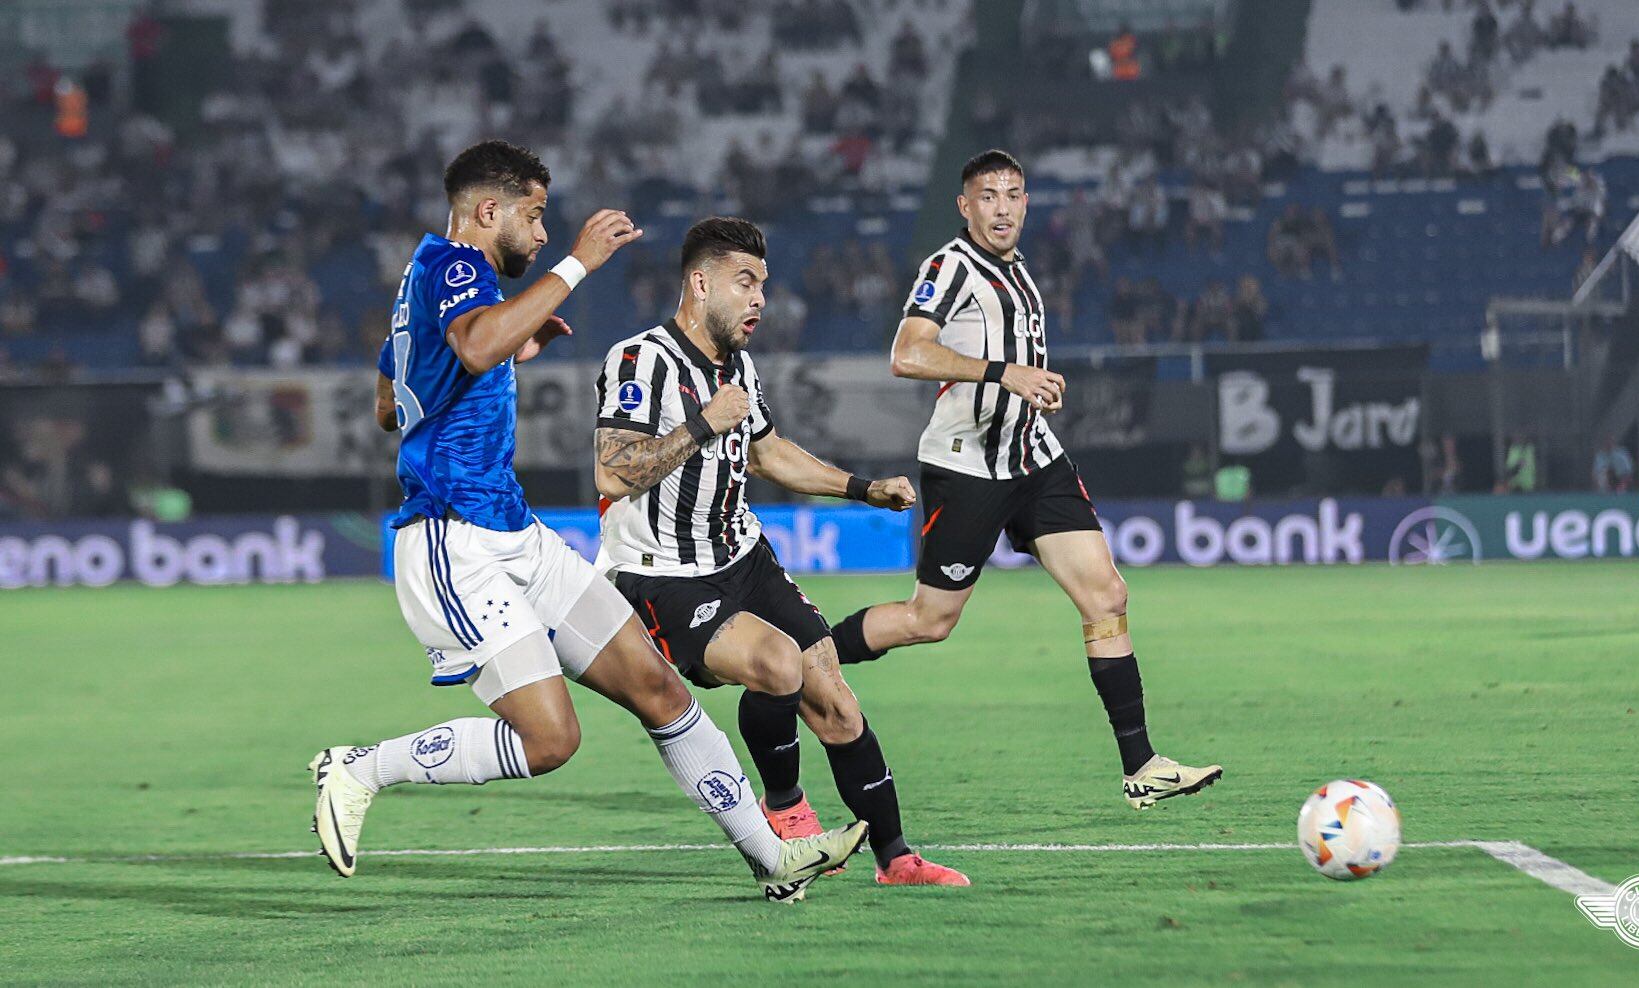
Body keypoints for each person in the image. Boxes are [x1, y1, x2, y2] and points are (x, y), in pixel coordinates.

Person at [313, 141, 865, 902]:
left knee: (661, 690)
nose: (540, 235)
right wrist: (574, 266)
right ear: (488, 211)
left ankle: (774, 857)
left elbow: (390, 402)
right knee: (551, 740)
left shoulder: (422, 278)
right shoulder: (455, 267)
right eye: (534, 217)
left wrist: (512, 346)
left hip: (517, 533)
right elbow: (473, 344)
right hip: (451, 537)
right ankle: (359, 768)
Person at [827, 150, 1223, 810]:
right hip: (967, 464)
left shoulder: (1018, 273)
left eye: (1013, 194)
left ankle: (1142, 765)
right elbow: (906, 354)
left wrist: (1032, 386)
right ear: (965, 206)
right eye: (987, 196)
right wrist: (1004, 373)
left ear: (1028, 202)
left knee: (1106, 595)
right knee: (929, 621)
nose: (1002, 206)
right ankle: (807, 660)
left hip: (1033, 457)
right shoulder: (947, 268)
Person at [593, 217, 967, 887]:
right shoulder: (640, 360)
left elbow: (766, 451)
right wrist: (705, 421)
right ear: (700, 283)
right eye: (744, 283)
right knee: (777, 664)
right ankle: (784, 807)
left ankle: (896, 859)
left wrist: (861, 489)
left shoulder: (737, 365)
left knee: (836, 699)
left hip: (743, 555)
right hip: (663, 575)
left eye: (762, 284)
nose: (760, 299)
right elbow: (613, 473)